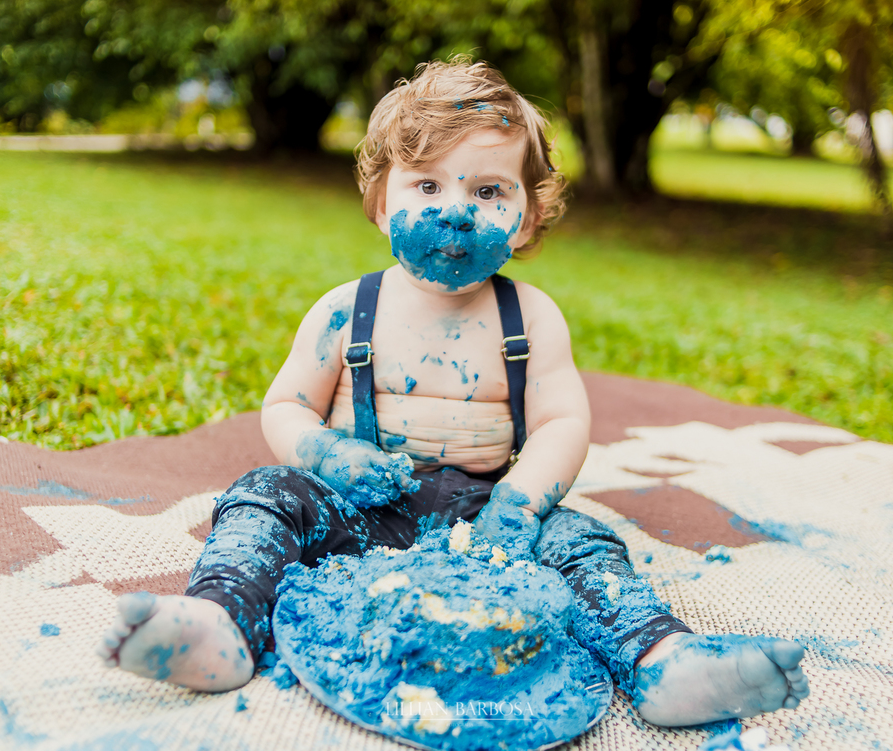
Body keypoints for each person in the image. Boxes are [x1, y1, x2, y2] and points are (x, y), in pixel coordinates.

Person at [96, 58, 809, 728]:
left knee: (585, 542)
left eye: (488, 191)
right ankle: (220, 624)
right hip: (356, 509)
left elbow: (562, 422)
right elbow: (285, 406)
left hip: (488, 519)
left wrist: (521, 503)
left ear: (527, 218)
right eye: (427, 186)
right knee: (264, 495)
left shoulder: (528, 318)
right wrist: (330, 454)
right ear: (381, 205)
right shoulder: (347, 311)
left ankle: (663, 660)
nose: (455, 211)